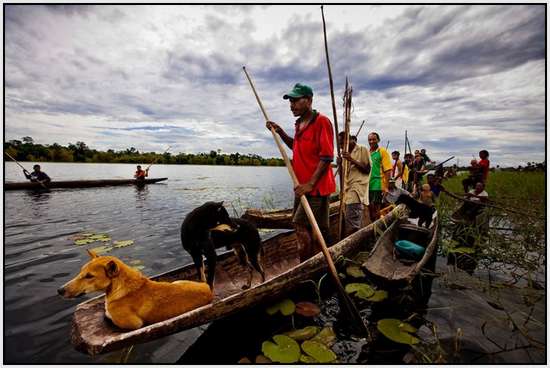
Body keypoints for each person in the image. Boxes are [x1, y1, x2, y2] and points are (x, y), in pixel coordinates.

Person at [266, 83, 336, 262]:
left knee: (299, 224)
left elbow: (327, 157)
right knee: (316, 227)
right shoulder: (299, 124)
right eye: (290, 101)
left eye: (296, 100)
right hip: (301, 186)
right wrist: (280, 132)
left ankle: (306, 264)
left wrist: (310, 184)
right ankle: (320, 257)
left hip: (316, 187)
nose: (292, 105)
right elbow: (295, 148)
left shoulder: (322, 122)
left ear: (309, 100)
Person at [337, 132, 371, 235]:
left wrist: (351, 160)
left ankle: (354, 243)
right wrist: (340, 165)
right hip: (347, 190)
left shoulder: (362, 149)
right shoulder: (344, 154)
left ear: (350, 139)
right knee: (349, 219)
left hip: (357, 189)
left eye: (342, 143)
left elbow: (367, 169)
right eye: (340, 144)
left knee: (352, 221)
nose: (341, 146)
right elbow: (343, 177)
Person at [367, 132, 392, 222]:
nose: (371, 141)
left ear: (378, 140)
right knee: (370, 207)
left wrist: (386, 186)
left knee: (376, 207)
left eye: (374, 139)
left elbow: (388, 170)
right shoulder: (368, 153)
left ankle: (376, 225)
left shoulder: (382, 151)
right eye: (370, 140)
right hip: (368, 184)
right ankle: (373, 224)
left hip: (378, 183)